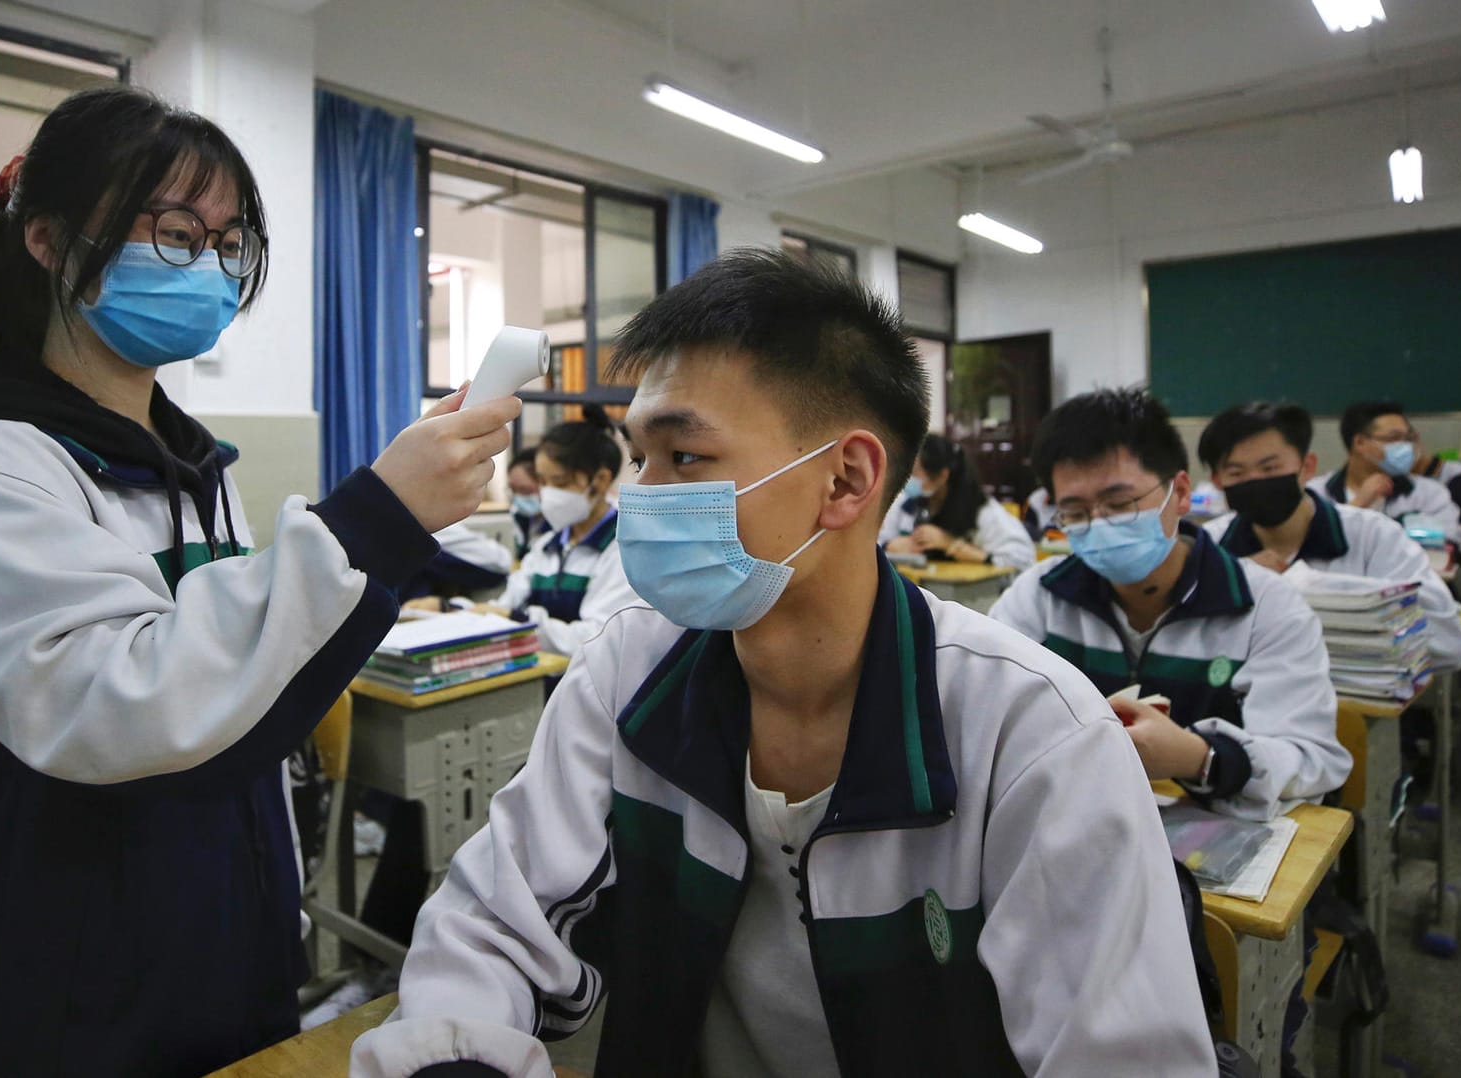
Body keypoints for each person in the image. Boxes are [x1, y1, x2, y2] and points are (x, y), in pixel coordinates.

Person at [351, 252, 1214, 1077]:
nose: (643, 496)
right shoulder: (630, 668)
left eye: (685, 458)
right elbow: (494, 925)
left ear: (845, 480)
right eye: (639, 458)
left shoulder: (1030, 734)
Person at [0, 87, 518, 1077]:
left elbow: (234, 684)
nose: (210, 267)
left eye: (229, 244)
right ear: (46, 241)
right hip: (61, 983)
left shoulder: (194, 469)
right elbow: (122, 701)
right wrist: (379, 516)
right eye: (176, 232)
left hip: (214, 936)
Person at [992, 388, 1348, 823]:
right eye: (1076, 513)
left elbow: (1310, 758)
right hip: (1074, 822)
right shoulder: (1039, 598)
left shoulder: (1264, 607)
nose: (1100, 524)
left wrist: (1197, 757)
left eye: (1120, 504)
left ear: (1179, 493)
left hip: (1211, 836)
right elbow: (988, 713)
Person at [1197, 401, 1461, 673]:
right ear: (1218, 481)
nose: (1255, 481)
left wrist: (1305, 588)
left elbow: (1448, 645)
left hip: (1355, 705)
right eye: (1236, 473)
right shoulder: (1211, 545)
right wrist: (1235, 580)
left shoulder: (1374, 536)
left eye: (1270, 469)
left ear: (1307, 467)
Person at [468, 405, 642, 657]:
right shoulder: (548, 545)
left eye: (560, 482)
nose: (547, 494)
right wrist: (451, 607)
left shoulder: (622, 548)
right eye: (542, 482)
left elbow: (596, 638)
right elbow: (504, 605)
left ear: (601, 480)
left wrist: (519, 621)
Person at [1311, 401, 1461, 547]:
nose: (1405, 446)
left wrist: (1400, 525)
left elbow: (1451, 536)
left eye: (1407, 438)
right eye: (1394, 438)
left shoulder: (1429, 493)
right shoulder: (1316, 492)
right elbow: (1304, 539)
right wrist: (1357, 505)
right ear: (1359, 443)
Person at [880, 434, 1035, 569]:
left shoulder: (982, 512)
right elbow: (874, 543)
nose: (908, 480)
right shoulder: (907, 505)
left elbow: (1022, 559)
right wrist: (891, 546)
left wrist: (952, 545)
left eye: (914, 473)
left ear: (942, 476)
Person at [505, 448, 546, 557]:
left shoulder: (559, 527)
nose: (518, 496)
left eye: (524, 490)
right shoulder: (520, 520)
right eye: (513, 490)